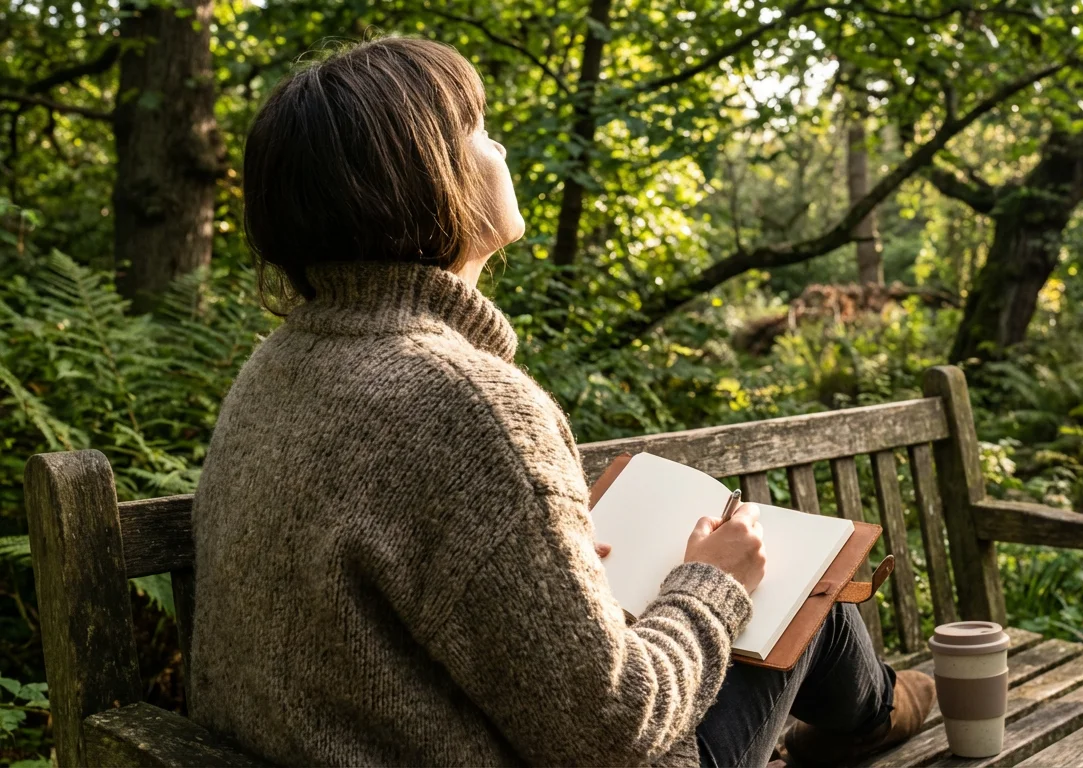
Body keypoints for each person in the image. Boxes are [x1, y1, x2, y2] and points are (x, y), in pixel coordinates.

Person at [190, 36, 935, 768]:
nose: (499, 147)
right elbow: (614, 731)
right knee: (809, 598)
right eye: (475, 128)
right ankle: (874, 718)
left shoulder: (276, 367)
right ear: (417, 179)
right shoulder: (466, 402)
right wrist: (715, 584)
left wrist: (549, 572)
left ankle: (867, 714)